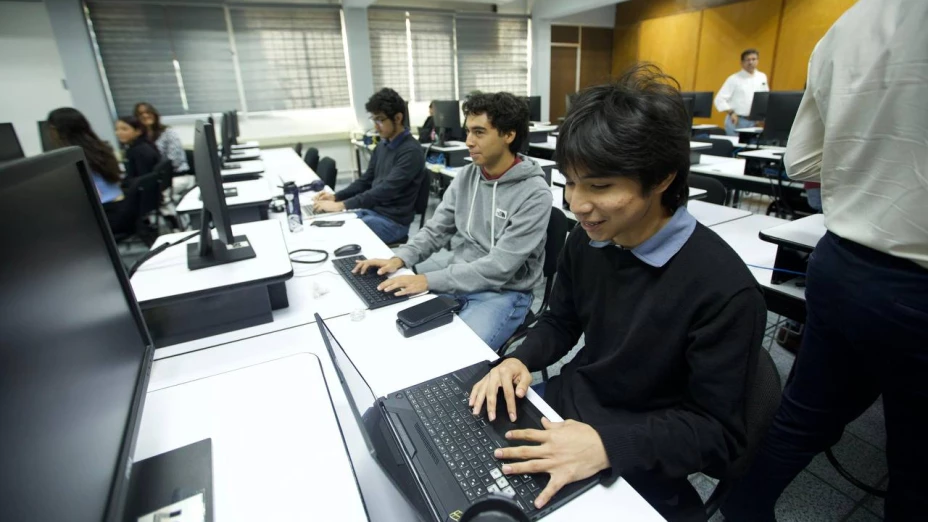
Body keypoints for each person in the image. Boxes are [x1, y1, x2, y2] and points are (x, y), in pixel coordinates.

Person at [467, 66, 767, 522]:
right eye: (569, 181)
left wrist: (607, 445)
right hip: (567, 407)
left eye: (600, 186)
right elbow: (561, 320)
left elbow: (716, 434)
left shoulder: (724, 290)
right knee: (460, 466)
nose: (577, 204)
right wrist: (519, 359)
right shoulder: (589, 239)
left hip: (639, 449)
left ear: (663, 177)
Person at [722, 1, 928, 520]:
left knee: (802, 418)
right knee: (916, 465)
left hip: (845, 265)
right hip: (918, 280)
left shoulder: (854, 20)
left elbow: (804, 161)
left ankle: (743, 510)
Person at [353, 92, 551, 351]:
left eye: (479, 132)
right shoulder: (467, 176)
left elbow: (500, 268)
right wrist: (400, 259)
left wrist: (427, 280)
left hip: (504, 293)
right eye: (468, 131)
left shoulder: (534, 193)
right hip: (457, 279)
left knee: (456, 354)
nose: (468, 141)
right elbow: (437, 229)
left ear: (508, 135)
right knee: (402, 336)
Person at [313, 88, 424, 244]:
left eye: (380, 120)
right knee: (323, 226)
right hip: (372, 212)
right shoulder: (383, 145)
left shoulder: (411, 152)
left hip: (392, 223)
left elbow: (385, 190)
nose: (376, 126)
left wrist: (341, 205)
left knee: (337, 238)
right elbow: (365, 180)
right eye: (374, 120)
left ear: (398, 118)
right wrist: (336, 197)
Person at [46, 107, 123, 204]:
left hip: (104, 209)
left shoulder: (69, 158)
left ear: (54, 130)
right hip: (119, 201)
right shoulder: (101, 148)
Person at [714, 49, 769, 136]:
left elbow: (764, 97)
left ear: (758, 61)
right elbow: (719, 99)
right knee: (735, 147)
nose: (751, 62)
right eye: (748, 60)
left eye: (754, 59)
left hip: (754, 122)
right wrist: (731, 113)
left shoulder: (762, 77)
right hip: (737, 120)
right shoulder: (734, 79)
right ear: (742, 63)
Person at [134, 102, 189, 174]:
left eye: (148, 112)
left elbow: (175, 160)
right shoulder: (139, 137)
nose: (145, 115)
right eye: (140, 114)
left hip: (176, 173)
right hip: (154, 175)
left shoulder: (168, 133)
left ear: (154, 114)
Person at [114, 115, 161, 179]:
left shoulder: (138, 151)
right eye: (117, 129)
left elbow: (142, 179)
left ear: (138, 131)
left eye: (124, 129)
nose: (118, 133)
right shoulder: (145, 143)